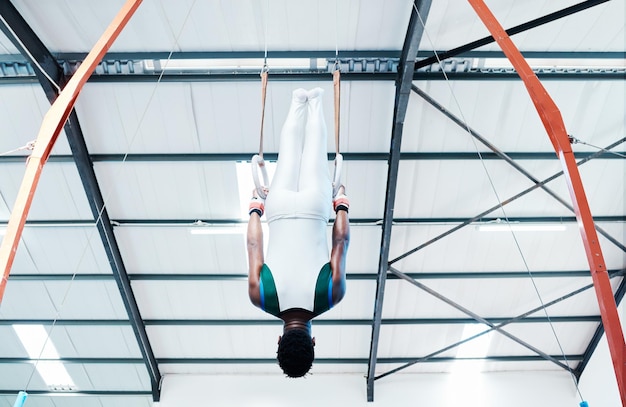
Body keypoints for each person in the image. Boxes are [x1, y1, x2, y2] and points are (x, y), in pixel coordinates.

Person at [247, 87, 350, 378]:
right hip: (278, 209)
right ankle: (296, 101)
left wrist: (342, 203)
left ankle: (315, 100)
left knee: (315, 150)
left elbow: (340, 242)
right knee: (289, 153)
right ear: (278, 341)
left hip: (314, 208)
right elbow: (254, 245)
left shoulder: (332, 296)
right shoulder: (260, 297)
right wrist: (256, 207)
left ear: (313, 342)